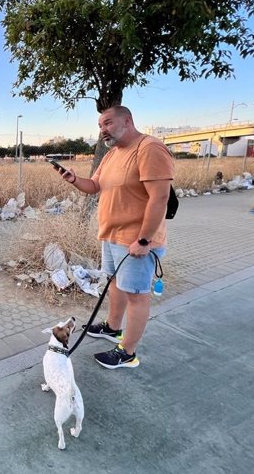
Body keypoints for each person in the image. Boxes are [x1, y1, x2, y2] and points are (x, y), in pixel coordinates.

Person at [57, 105, 174, 369]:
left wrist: (144, 240)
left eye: (108, 123)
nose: (103, 130)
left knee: (136, 295)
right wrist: (74, 179)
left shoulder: (149, 148)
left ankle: (128, 352)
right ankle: (112, 327)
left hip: (136, 240)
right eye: (100, 126)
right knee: (115, 284)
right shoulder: (112, 155)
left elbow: (160, 197)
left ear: (127, 121)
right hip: (111, 235)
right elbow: (94, 186)